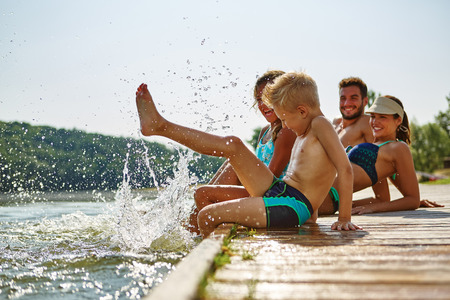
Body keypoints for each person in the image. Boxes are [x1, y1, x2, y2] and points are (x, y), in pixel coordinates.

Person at [136, 71, 361, 238]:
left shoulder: (321, 124)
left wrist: (344, 219)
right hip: (282, 190)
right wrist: (312, 218)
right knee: (234, 145)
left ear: (302, 110)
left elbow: (344, 168)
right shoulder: (306, 128)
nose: (284, 125)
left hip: (291, 205)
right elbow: (312, 174)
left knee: (207, 215)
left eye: (285, 119)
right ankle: (160, 126)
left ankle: (203, 268)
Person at [188, 70, 297, 234]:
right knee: (230, 165)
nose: (263, 104)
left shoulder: (286, 131)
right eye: (259, 99)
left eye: (269, 97)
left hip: (274, 197)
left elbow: (270, 180)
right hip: (260, 191)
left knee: (203, 193)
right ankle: (190, 232)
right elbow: (253, 170)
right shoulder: (265, 132)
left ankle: (199, 241)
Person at [319, 95, 421, 215]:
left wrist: (372, 208)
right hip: (320, 192)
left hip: (323, 197)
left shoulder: (399, 148)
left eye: (382, 117)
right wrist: (351, 206)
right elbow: (381, 199)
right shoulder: (377, 148)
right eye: (372, 116)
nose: (374, 121)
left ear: (398, 120)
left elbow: (413, 200)